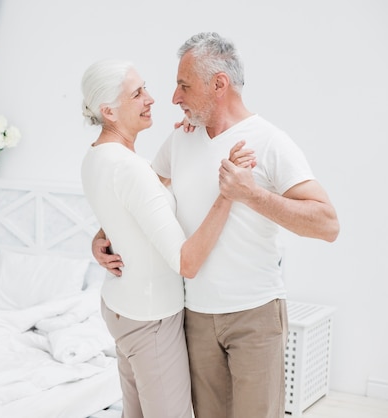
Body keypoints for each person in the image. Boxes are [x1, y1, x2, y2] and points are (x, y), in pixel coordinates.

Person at [93, 33, 340, 418]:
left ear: (219, 84)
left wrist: (252, 194)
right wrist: (103, 235)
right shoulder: (180, 138)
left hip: (254, 316)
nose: (174, 97)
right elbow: (142, 197)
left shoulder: (271, 141)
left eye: (184, 85)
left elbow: (327, 224)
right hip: (194, 317)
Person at [80, 59, 255, 418]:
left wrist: (101, 234)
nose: (151, 98)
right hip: (151, 317)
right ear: (108, 110)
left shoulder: (97, 156)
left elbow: (127, 205)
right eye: (138, 93)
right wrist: (229, 192)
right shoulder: (129, 169)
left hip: (121, 307)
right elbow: (186, 262)